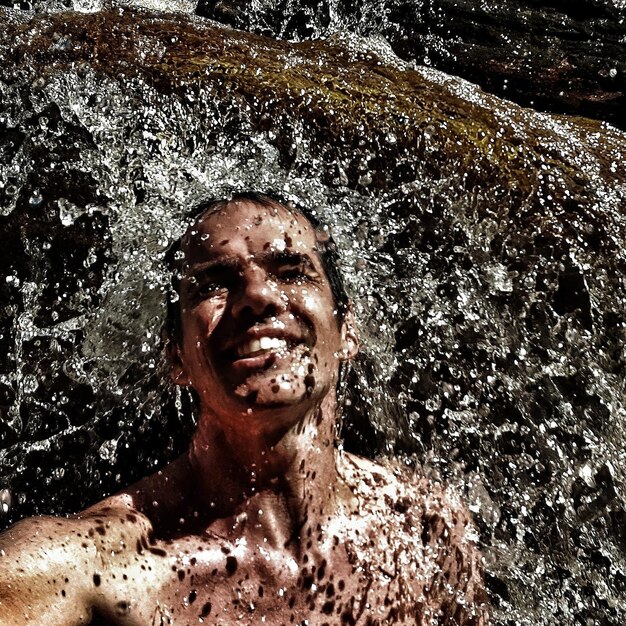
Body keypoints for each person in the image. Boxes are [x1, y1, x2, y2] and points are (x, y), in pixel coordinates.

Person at [0, 192, 488, 625]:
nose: (256, 296)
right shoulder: (98, 566)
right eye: (214, 283)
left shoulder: (424, 527)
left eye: (291, 271)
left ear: (347, 329)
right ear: (176, 356)